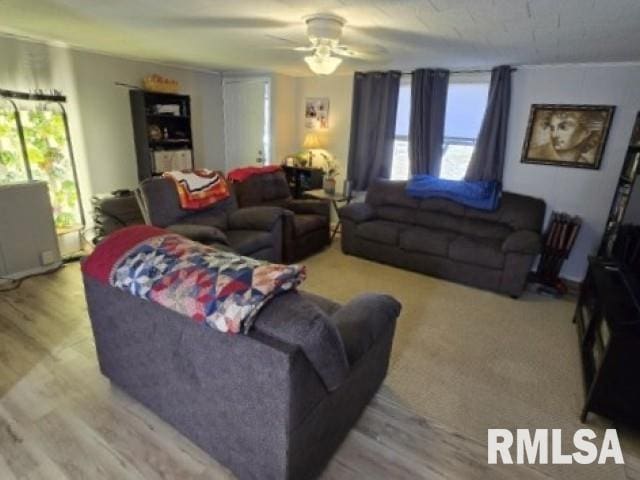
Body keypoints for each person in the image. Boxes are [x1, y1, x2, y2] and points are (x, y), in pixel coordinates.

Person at [528, 110, 605, 164]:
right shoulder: (533, 155)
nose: (554, 135)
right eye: (552, 128)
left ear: (586, 133)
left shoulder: (584, 163)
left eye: (563, 127)